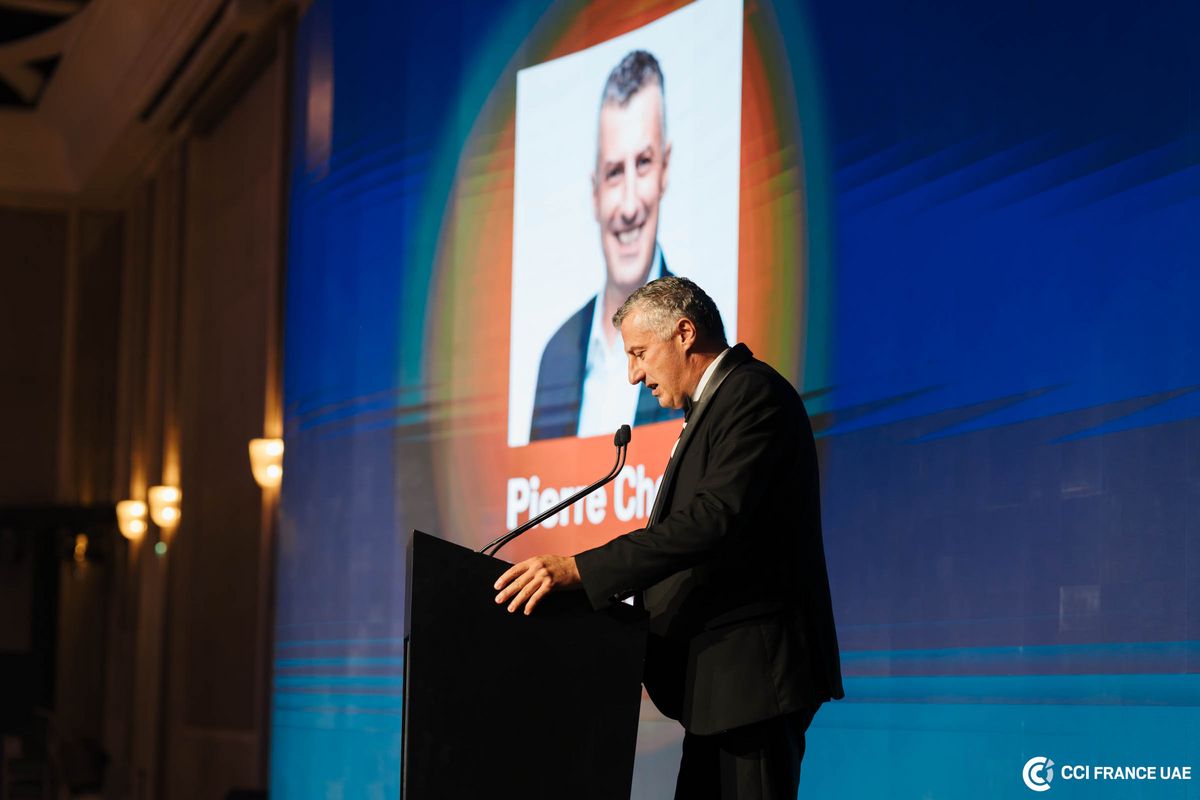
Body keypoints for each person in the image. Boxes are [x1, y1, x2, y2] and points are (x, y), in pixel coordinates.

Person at [496, 276, 845, 799]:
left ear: (684, 333)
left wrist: (581, 570)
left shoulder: (753, 393)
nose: (634, 375)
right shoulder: (715, 406)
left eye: (639, 354)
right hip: (721, 689)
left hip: (753, 681)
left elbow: (711, 520)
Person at [529, 49, 683, 442]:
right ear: (595, 191)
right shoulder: (556, 355)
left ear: (665, 170)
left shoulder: (692, 336)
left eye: (643, 163)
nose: (629, 206)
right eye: (614, 172)